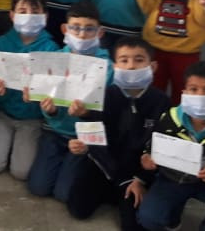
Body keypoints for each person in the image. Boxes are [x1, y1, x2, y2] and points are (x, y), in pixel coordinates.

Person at [65, 37, 169, 230]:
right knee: (77, 209)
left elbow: (160, 146)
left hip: (135, 173)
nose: (131, 66)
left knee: (133, 226)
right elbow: (93, 134)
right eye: (124, 60)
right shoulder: (104, 95)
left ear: (153, 66)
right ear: (115, 66)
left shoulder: (161, 101)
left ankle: (120, 192)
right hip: (104, 164)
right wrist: (81, 145)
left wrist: (141, 179)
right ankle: (113, 190)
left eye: (139, 60)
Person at [137, 61, 205, 231]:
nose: (200, 96)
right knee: (148, 219)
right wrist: (147, 157)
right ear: (184, 93)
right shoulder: (169, 118)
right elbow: (152, 145)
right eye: (194, 89)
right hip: (172, 178)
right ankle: (173, 219)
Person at [26, 1, 113, 202]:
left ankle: (84, 162)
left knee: (64, 194)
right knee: (38, 187)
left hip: (83, 138)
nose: (82, 35)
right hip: (54, 131)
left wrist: (86, 115)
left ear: (100, 32)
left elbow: (109, 112)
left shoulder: (108, 67)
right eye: (75, 28)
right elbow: (46, 103)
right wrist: (51, 111)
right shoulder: (53, 60)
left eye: (89, 29)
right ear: (65, 29)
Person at [0, 0, 59, 180]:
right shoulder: (0, 43)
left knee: (21, 172)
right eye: (22, 11)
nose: (29, 16)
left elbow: (53, 93)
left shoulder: (52, 49)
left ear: (45, 16)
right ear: (12, 15)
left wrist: (39, 96)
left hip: (32, 119)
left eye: (35, 11)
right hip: (3, 114)